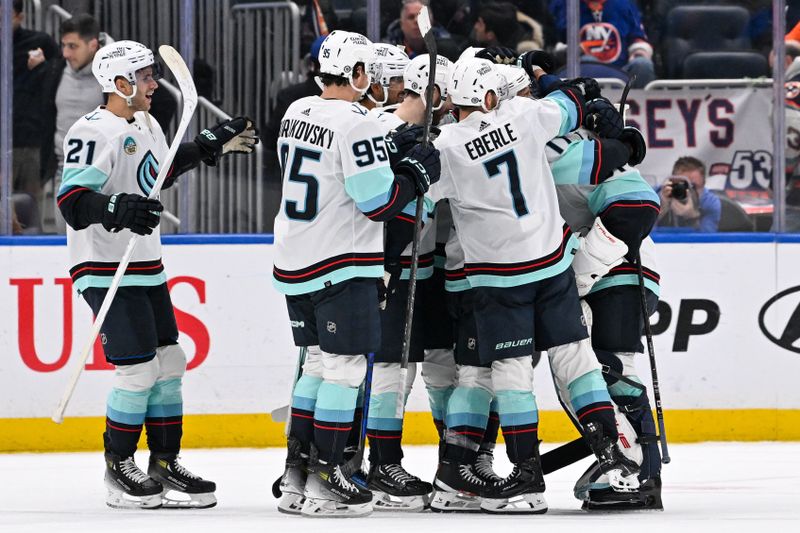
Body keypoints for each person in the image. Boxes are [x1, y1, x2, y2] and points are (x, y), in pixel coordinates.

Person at [427, 56, 639, 514]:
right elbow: (572, 102)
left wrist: (405, 150)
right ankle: (616, 458)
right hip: (552, 268)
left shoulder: (444, 147)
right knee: (576, 363)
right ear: (489, 97)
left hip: (500, 281)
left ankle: (526, 477)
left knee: (511, 375)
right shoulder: (523, 116)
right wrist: (584, 94)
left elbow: (401, 197)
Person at [57, 40, 258, 509]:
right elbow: (72, 203)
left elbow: (157, 174)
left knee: (170, 363)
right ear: (121, 84)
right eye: (145, 77)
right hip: (103, 265)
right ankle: (118, 466)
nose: (153, 83)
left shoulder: (146, 123)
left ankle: (164, 462)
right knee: (138, 368)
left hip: (145, 263)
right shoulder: (92, 131)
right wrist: (117, 207)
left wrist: (204, 149)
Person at [272, 30, 440, 518]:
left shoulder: (295, 111)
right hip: (340, 262)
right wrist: (414, 175)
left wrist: (393, 158)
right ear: (359, 74)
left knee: (317, 367)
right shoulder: (356, 123)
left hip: (294, 260)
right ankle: (329, 475)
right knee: (344, 371)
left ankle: (296, 474)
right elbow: (378, 203)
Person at [42, 14, 105, 234]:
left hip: (103, 172)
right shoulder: (56, 69)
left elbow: (163, 101)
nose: (66, 53)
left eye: (72, 46)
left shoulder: (112, 74)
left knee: (104, 243)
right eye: (63, 46)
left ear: (93, 45)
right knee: (65, 241)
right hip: (64, 170)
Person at [12, 0, 59, 229]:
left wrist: (43, 66)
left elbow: (61, 74)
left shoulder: (40, 43)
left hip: (33, 142)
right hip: (4, 144)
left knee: (30, 209)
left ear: (19, 17)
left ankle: (31, 257)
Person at [549, 0, 655, 88]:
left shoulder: (625, 4)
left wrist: (638, 52)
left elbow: (638, 37)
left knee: (643, 65)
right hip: (582, 75)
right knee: (589, 63)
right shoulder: (562, 5)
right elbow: (552, 45)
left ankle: (637, 109)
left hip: (622, 73)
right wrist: (571, 52)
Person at [656, 156, 721, 232]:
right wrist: (659, 210)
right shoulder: (654, 197)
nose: (688, 192)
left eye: (694, 186)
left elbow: (708, 239)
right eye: (683, 185)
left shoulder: (710, 202)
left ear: (704, 185)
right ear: (672, 182)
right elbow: (644, 237)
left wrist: (692, 218)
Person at [383, 0, 453, 59]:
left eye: (421, 16)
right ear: (401, 24)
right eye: (411, 17)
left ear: (431, 22)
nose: (417, 21)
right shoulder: (388, 51)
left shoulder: (448, 50)